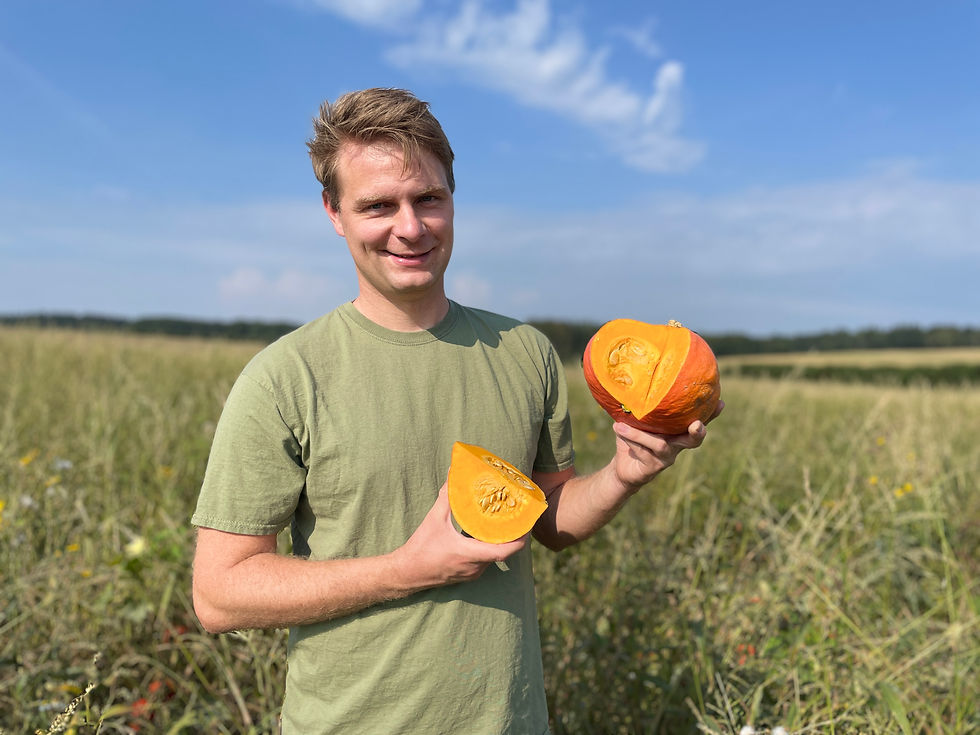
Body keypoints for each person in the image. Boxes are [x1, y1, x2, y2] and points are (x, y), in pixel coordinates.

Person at [191, 87, 720, 734]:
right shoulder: (284, 378)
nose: (409, 227)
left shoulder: (525, 353)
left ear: (452, 196)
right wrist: (402, 571)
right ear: (333, 211)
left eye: (428, 199)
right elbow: (218, 592)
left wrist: (623, 475)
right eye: (378, 205)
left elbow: (547, 517)